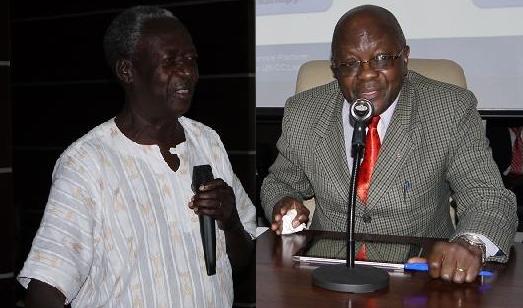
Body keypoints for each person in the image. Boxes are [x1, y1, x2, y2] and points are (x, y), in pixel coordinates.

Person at [17, 6, 256, 307]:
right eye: (170, 62)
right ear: (127, 71)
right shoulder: (86, 164)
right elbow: (46, 290)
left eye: (191, 60)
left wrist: (231, 222)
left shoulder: (207, 141)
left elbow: (241, 259)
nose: (187, 73)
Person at [261, 5, 517, 284]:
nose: (367, 74)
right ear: (335, 68)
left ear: (405, 58)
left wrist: (470, 243)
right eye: (350, 63)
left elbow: (487, 196)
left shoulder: (449, 108)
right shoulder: (304, 111)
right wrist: (283, 204)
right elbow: (280, 182)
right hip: (327, 274)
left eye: (382, 59)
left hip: (419, 279)